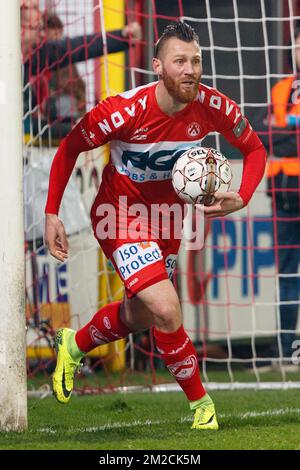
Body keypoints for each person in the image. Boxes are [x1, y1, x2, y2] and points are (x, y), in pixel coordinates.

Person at [45, 22, 267, 430]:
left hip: (167, 221)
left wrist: (244, 194)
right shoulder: (123, 110)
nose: (190, 70)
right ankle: (202, 407)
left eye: (196, 61)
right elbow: (70, 146)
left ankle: (72, 344)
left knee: (142, 315)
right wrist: (52, 212)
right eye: (180, 61)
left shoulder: (213, 106)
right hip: (119, 214)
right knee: (166, 308)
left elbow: (254, 149)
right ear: (157, 66)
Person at [21, 2, 142, 136]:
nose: (40, 16)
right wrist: (69, 128)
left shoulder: (38, 56)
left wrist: (122, 36)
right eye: (33, 8)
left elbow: (78, 47)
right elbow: (20, 125)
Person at [253, 28, 300, 366]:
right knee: (286, 275)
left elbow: (277, 133)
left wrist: (282, 132)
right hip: (283, 194)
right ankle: (286, 352)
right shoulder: (281, 88)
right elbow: (262, 133)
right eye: (298, 43)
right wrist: (290, 132)